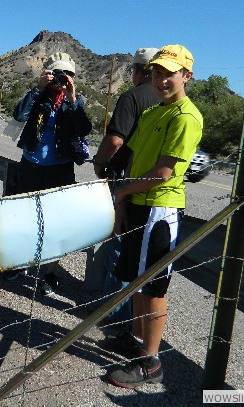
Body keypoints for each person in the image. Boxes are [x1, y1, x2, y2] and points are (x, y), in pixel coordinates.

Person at [106, 45, 203, 388]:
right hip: (136, 204)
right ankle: (134, 340)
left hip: (158, 210)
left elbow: (163, 172)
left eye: (169, 73)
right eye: (157, 72)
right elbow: (132, 159)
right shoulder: (153, 114)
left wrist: (121, 193)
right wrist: (121, 202)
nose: (161, 80)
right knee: (136, 280)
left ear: (186, 76)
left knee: (154, 287)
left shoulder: (186, 117)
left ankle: (151, 360)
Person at [4, 53, 92, 296]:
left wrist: (73, 101)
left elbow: (84, 128)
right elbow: (19, 116)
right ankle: (22, 264)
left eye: (68, 74)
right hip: (31, 164)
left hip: (60, 168)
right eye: (58, 73)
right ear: (48, 75)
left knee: (57, 224)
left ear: (73, 77)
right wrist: (37, 89)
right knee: (27, 218)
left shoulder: (76, 101)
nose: (63, 78)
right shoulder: (39, 95)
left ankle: (51, 273)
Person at [91, 48, 159, 328]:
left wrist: (99, 161)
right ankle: (130, 315)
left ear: (137, 71)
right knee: (138, 251)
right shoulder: (168, 100)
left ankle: (111, 317)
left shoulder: (132, 97)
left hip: (126, 180)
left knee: (117, 244)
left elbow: (115, 140)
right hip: (152, 185)